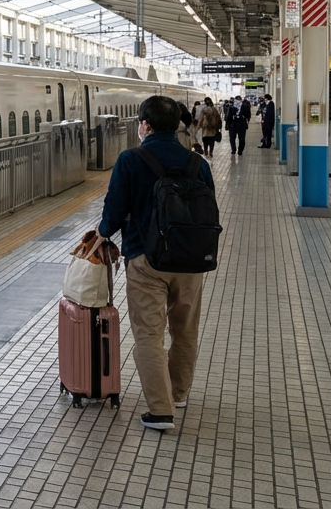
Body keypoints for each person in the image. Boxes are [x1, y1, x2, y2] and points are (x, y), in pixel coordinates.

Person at [96, 95, 215, 431]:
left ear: (144, 125)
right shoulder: (197, 163)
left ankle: (161, 410)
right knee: (185, 330)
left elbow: (114, 211)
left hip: (145, 259)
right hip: (191, 261)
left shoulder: (130, 160)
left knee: (149, 334)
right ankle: (177, 394)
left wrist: (102, 234)